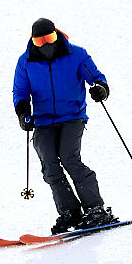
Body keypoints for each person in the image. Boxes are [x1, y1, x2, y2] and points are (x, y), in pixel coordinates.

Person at [13, 18, 118, 234]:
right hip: (43, 121)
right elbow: (20, 92)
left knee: (69, 158)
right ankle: (70, 212)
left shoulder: (76, 54)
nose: (45, 45)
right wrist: (23, 113)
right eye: (39, 41)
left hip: (72, 116)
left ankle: (96, 209)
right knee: (49, 166)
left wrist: (101, 89)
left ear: (57, 34)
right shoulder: (26, 62)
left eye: (49, 39)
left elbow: (96, 78)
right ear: (32, 41)